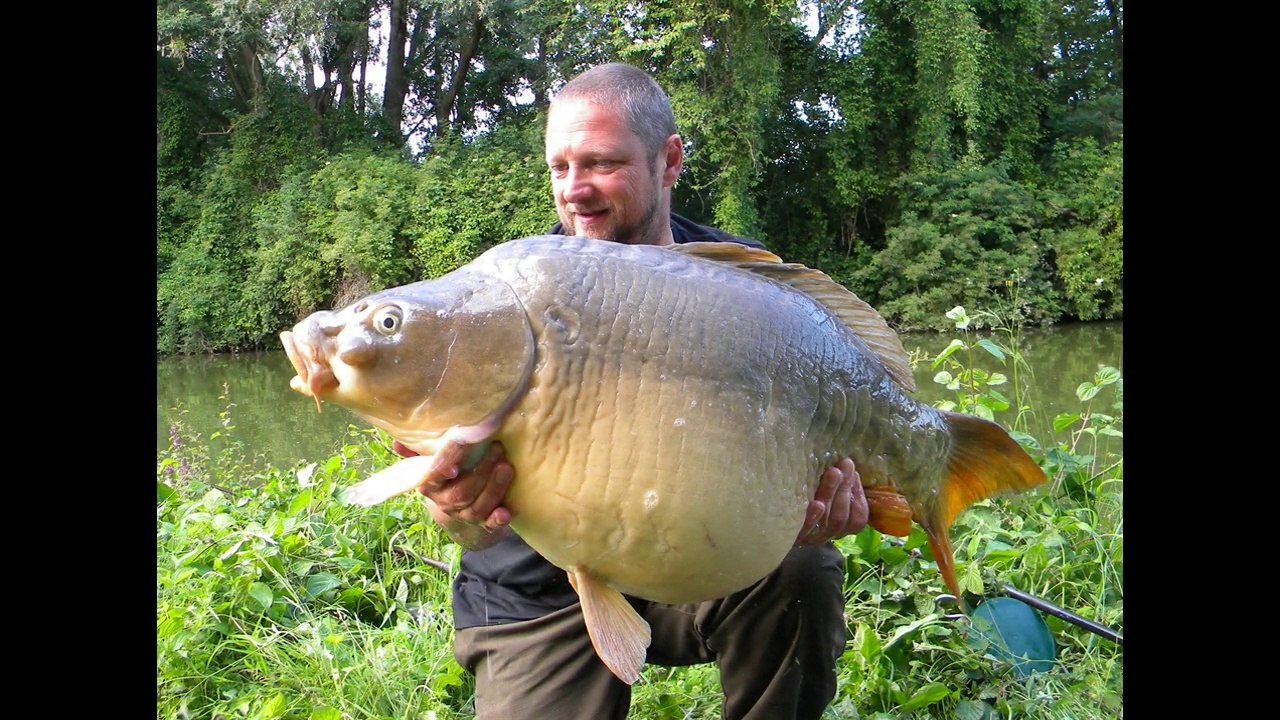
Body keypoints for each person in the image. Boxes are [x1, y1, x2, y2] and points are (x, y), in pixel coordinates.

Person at [398, 63, 870, 719]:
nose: (574, 191)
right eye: (559, 168)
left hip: (698, 565)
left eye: (600, 163)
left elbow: (812, 442)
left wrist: (816, 510)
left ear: (669, 159)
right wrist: (458, 510)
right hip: (535, 596)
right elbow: (467, 529)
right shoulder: (504, 304)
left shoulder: (744, 292)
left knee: (803, 574)